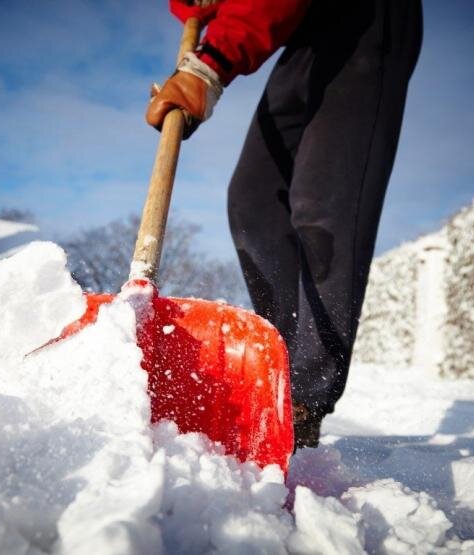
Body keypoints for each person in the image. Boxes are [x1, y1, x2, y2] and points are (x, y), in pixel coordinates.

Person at [147, 0, 422, 449]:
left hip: (367, 21)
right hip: (306, 34)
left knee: (322, 204)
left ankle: (304, 398)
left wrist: (209, 67)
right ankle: (280, 368)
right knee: (252, 201)